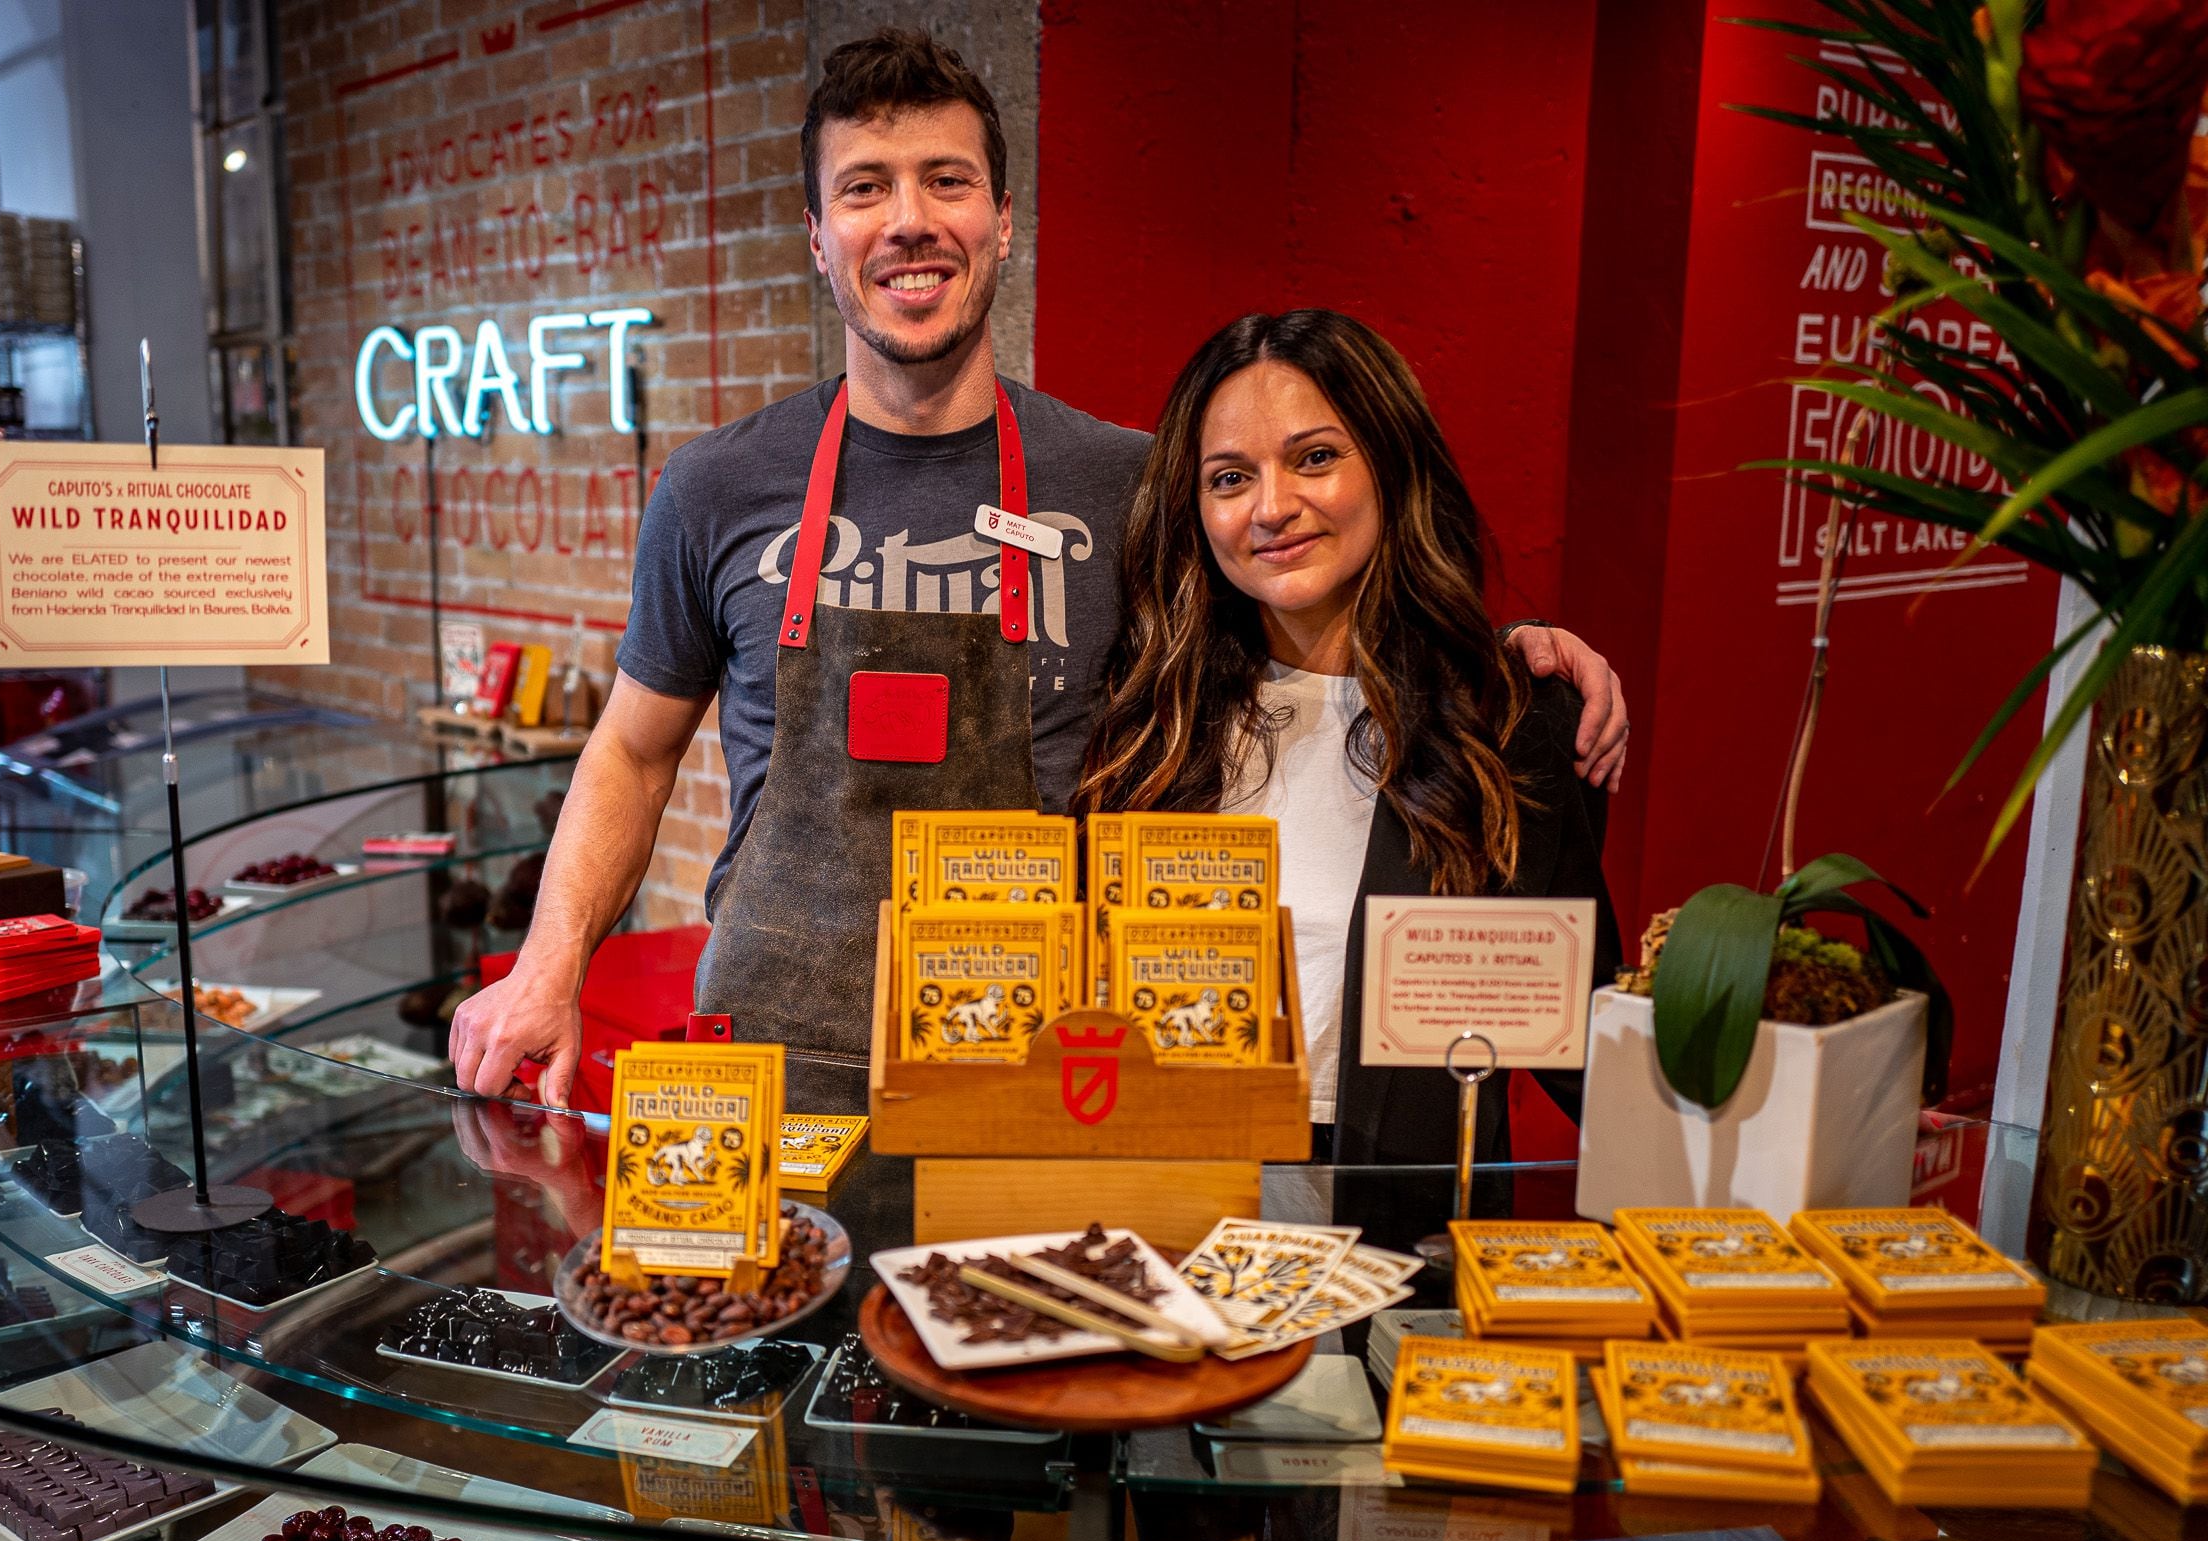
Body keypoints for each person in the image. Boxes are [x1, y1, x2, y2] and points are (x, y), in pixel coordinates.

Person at [448, 31, 1628, 1110]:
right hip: (771, 1054)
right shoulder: (715, 487)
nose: (909, 219)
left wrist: (1504, 661)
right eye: (865, 188)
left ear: (1002, 220)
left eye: (946, 182)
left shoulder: (1130, 483)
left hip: (1030, 1063)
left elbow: (1296, 606)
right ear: (818, 239)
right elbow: (633, 749)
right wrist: (549, 969)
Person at [1072, 308, 1620, 1168]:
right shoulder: (1148, 719)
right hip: (1170, 1215)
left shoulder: (1511, 722)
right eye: (1228, 478)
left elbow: (1580, 1020)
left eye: (1315, 457)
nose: (1273, 507)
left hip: (1404, 1246)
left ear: (1392, 463)